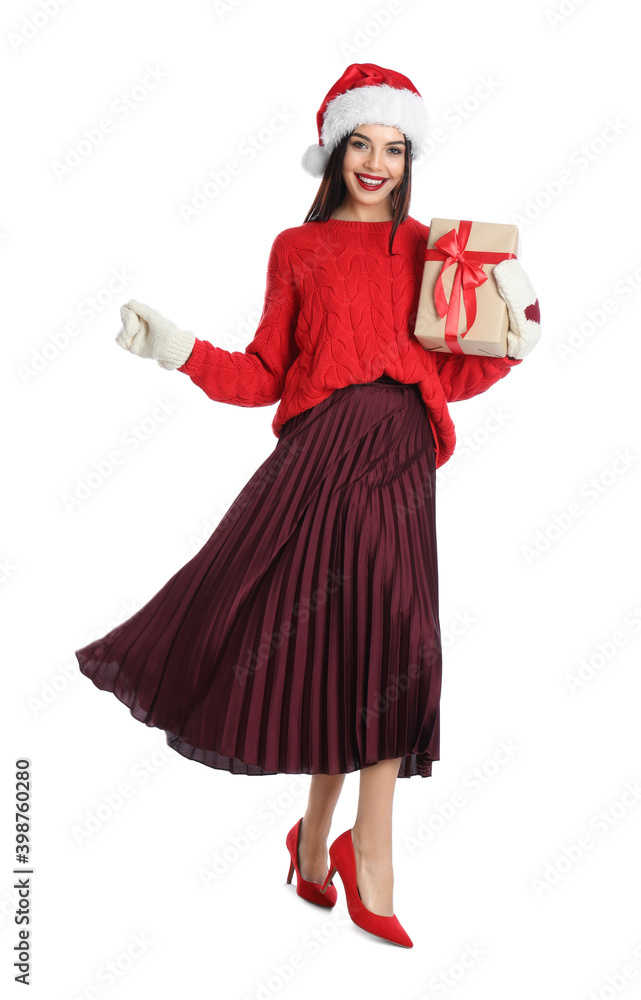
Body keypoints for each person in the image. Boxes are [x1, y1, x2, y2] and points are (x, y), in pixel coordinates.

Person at [75, 62, 541, 948]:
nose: (377, 163)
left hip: (403, 456)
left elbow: (447, 370)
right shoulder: (298, 249)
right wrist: (178, 351)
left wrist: (515, 337)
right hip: (324, 459)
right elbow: (262, 375)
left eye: (395, 148)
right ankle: (370, 864)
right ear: (333, 150)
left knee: (390, 641)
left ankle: (323, 848)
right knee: (354, 643)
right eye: (361, 143)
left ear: (410, 159)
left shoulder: (432, 247)